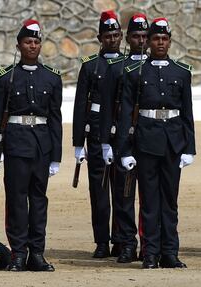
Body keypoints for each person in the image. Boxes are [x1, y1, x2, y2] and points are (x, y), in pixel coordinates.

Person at [118, 18, 195, 269]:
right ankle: (150, 252)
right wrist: (125, 150)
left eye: (164, 39)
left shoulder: (181, 72)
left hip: (173, 142)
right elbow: (126, 114)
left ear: (170, 42)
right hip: (146, 141)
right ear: (148, 42)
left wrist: (189, 148)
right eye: (155, 39)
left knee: (170, 201)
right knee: (149, 200)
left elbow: (186, 113)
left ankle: (170, 252)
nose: (160, 43)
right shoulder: (134, 73)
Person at [0, 20, 62, 272]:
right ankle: (19, 252)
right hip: (16, 143)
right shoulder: (6, 78)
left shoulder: (51, 78)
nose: (33, 46)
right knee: (17, 200)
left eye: (36, 42)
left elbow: (55, 118)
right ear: (19, 45)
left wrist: (56, 156)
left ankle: (37, 253)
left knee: (39, 200)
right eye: (28, 42)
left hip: (41, 145)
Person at [72, 10, 123, 258]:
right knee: (99, 192)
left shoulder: (130, 64)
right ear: (99, 37)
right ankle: (102, 241)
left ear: (121, 36)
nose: (112, 39)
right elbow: (80, 104)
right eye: (107, 35)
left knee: (123, 190)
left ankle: (122, 240)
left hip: (123, 135)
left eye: (115, 34)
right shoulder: (91, 65)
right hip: (96, 134)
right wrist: (77, 142)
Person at [99, 13, 150, 263]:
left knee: (150, 196)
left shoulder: (154, 66)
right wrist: (107, 142)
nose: (141, 40)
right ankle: (127, 243)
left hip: (151, 139)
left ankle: (148, 243)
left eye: (144, 36)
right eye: (136, 36)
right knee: (124, 196)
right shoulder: (117, 68)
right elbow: (108, 107)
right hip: (124, 141)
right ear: (127, 39)